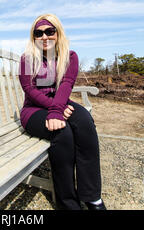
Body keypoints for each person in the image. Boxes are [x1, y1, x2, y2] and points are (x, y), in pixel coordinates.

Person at [18, 13, 106, 210]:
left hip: (60, 103)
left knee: (84, 121)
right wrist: (56, 110)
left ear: (58, 33)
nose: (44, 37)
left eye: (49, 31)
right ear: (33, 37)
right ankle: (68, 204)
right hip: (33, 110)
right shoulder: (27, 60)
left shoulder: (70, 56)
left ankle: (92, 196)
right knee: (63, 133)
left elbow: (66, 84)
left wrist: (59, 109)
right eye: (38, 33)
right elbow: (30, 91)